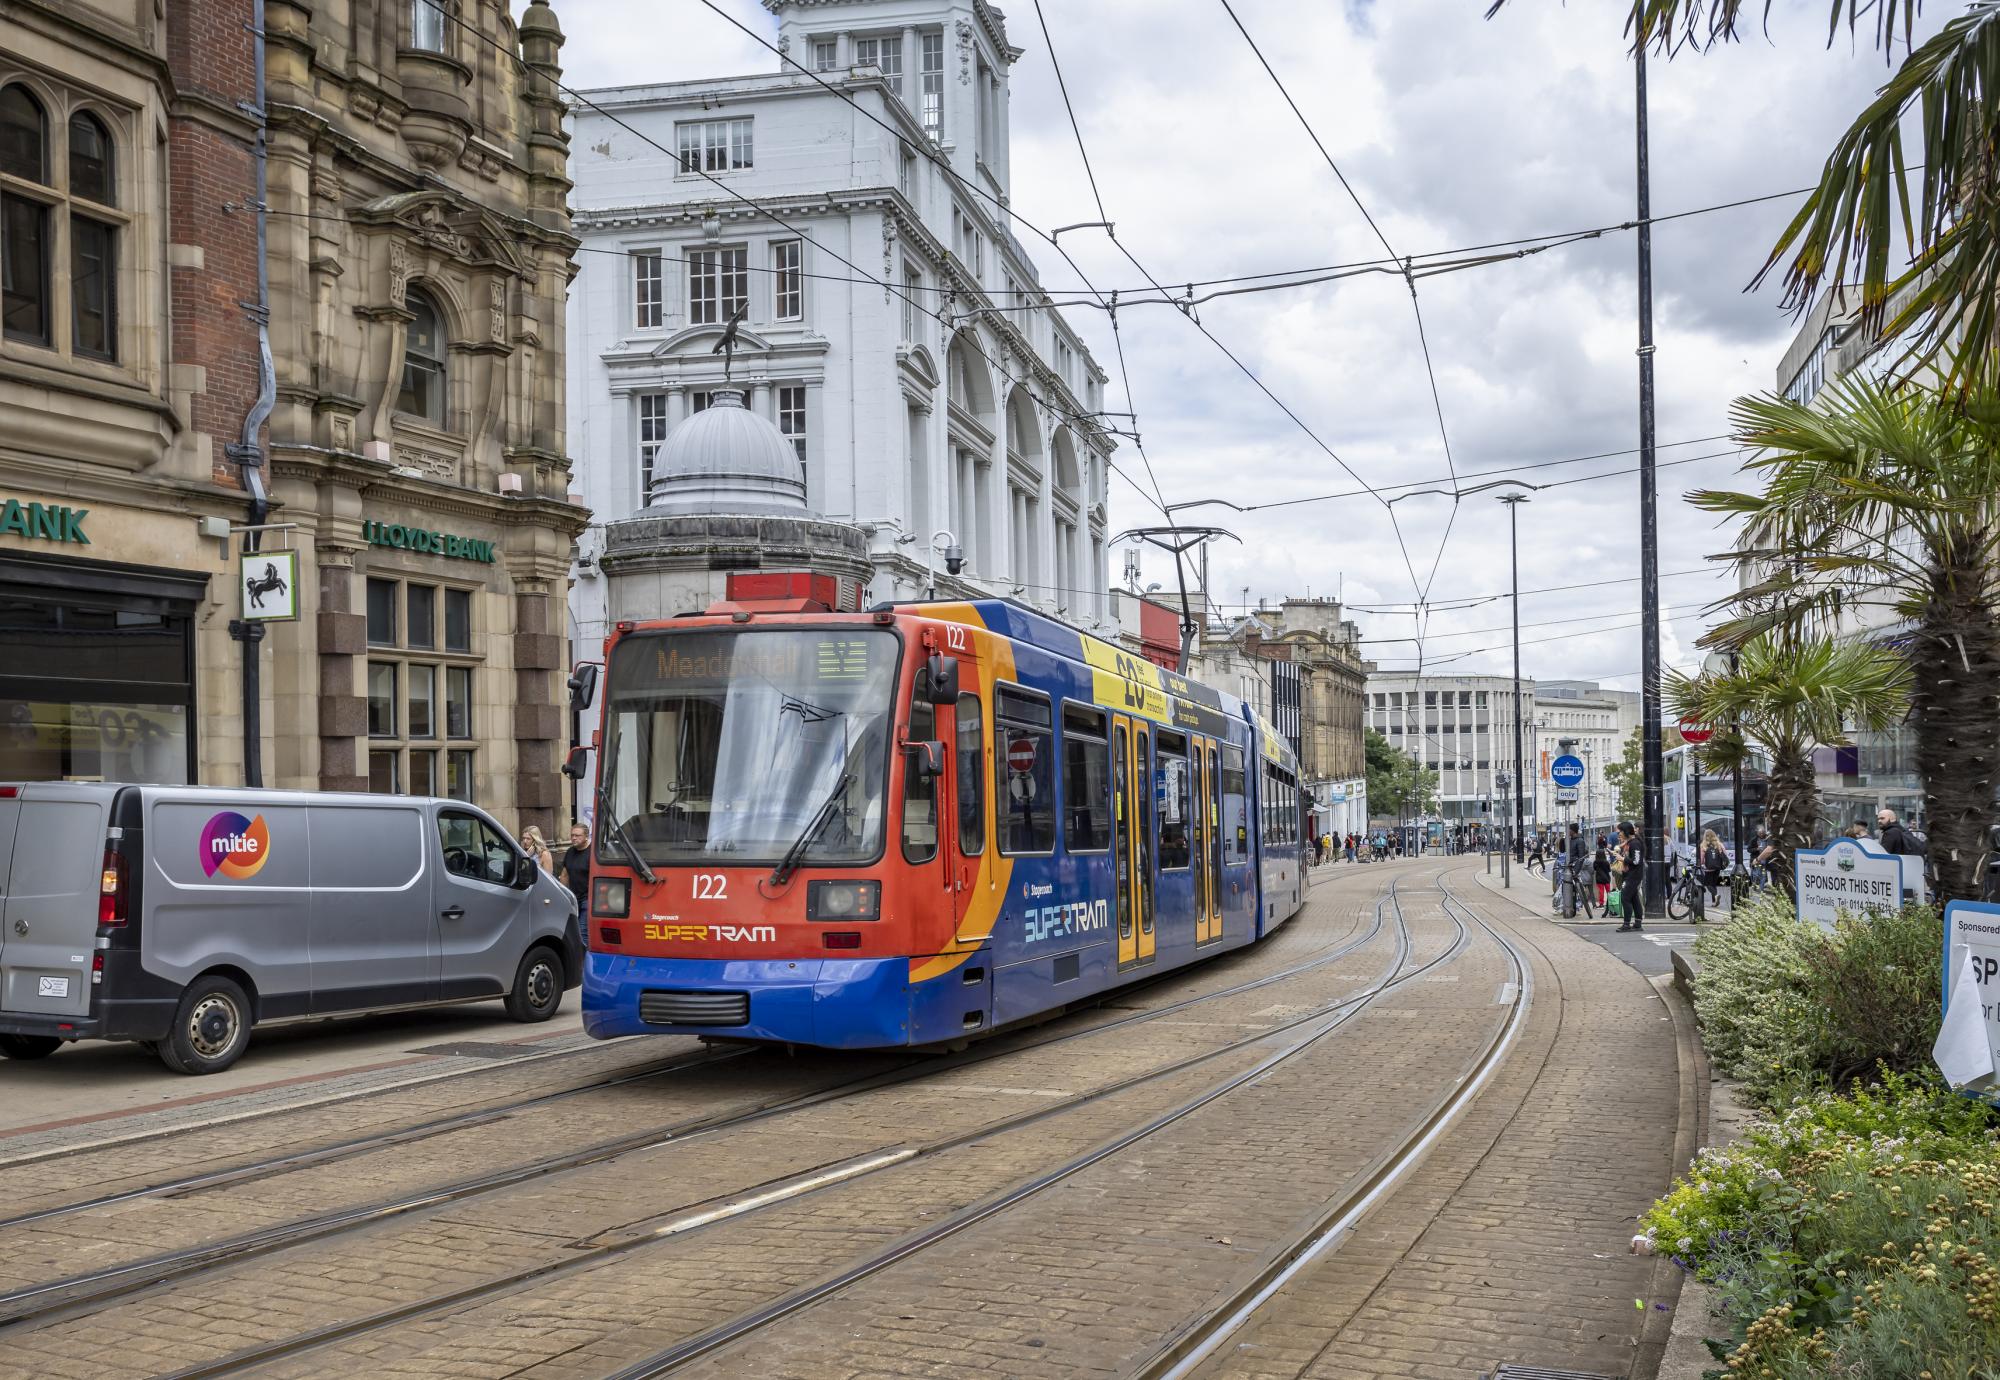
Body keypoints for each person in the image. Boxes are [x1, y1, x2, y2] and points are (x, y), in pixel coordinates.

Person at [1616, 821, 1645, 931]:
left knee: (1625, 898)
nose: (1619, 834)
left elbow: (1636, 861)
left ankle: (1626, 924)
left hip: (1634, 875)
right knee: (1634, 898)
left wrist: (1622, 859)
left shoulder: (1635, 843)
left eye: (1620, 832)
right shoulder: (1630, 842)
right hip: (1630, 874)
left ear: (1626, 831)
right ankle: (1637, 923)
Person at [560, 823, 591, 912]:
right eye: (572, 835)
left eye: (577, 835)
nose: (573, 838)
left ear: (586, 837)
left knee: (582, 926)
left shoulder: (593, 853)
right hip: (573, 897)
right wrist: (563, 893)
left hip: (588, 898)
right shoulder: (570, 851)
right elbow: (565, 875)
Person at [1565, 822, 1592, 918]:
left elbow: (1581, 858)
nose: (1567, 831)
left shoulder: (1580, 841)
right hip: (1568, 868)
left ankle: (1576, 907)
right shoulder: (1569, 840)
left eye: (1569, 830)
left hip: (1575, 868)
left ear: (1573, 831)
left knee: (1576, 891)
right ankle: (1570, 909)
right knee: (1568, 890)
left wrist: (1576, 871)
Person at [1699, 828, 1729, 909]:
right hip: (1717, 868)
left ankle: (1715, 896)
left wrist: (1701, 864)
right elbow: (1725, 855)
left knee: (1707, 884)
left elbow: (1701, 860)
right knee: (1713, 884)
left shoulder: (1703, 845)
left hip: (1708, 868)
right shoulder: (1719, 844)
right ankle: (1714, 901)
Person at [1592, 833, 1612, 911]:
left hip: (1599, 878)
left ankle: (1601, 903)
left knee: (1601, 891)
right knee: (1608, 891)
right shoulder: (1606, 862)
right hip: (1606, 878)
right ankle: (1610, 902)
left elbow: (1595, 869)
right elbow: (1609, 870)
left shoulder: (1595, 862)